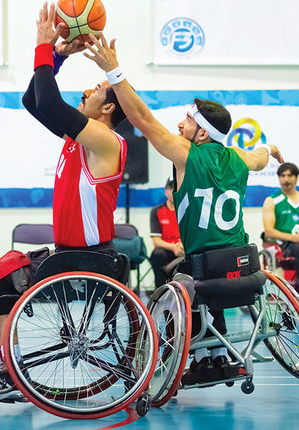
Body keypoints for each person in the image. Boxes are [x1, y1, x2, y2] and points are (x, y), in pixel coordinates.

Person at [84, 33, 282, 384]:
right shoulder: (240, 156)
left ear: (202, 134)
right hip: (244, 266)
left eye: (187, 120)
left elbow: (142, 119)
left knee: (184, 280)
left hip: (202, 267)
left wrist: (114, 71)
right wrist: (272, 150)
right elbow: (261, 156)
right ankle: (217, 353)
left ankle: (198, 356)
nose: (179, 124)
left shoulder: (186, 154)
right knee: (200, 278)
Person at [0, 2, 128, 357]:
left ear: (108, 108)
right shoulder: (79, 139)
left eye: (95, 90)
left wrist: (43, 46)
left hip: (87, 260)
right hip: (70, 256)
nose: (85, 92)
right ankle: (11, 361)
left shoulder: (105, 140)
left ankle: (11, 363)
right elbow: (33, 101)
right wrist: (58, 56)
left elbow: (49, 102)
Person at [262, 162, 299, 298]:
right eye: (282, 176)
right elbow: (269, 232)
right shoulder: (272, 201)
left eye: (289, 176)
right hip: (283, 244)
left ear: (296, 178)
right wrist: (295, 238)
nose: (286, 179)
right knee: (298, 248)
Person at [149, 178, 184, 289]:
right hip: (167, 249)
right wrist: (174, 247)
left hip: (183, 248)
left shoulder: (186, 209)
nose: (173, 191)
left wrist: (182, 246)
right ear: (165, 191)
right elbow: (156, 241)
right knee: (157, 255)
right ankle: (161, 290)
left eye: (176, 188)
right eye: (171, 188)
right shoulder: (156, 211)